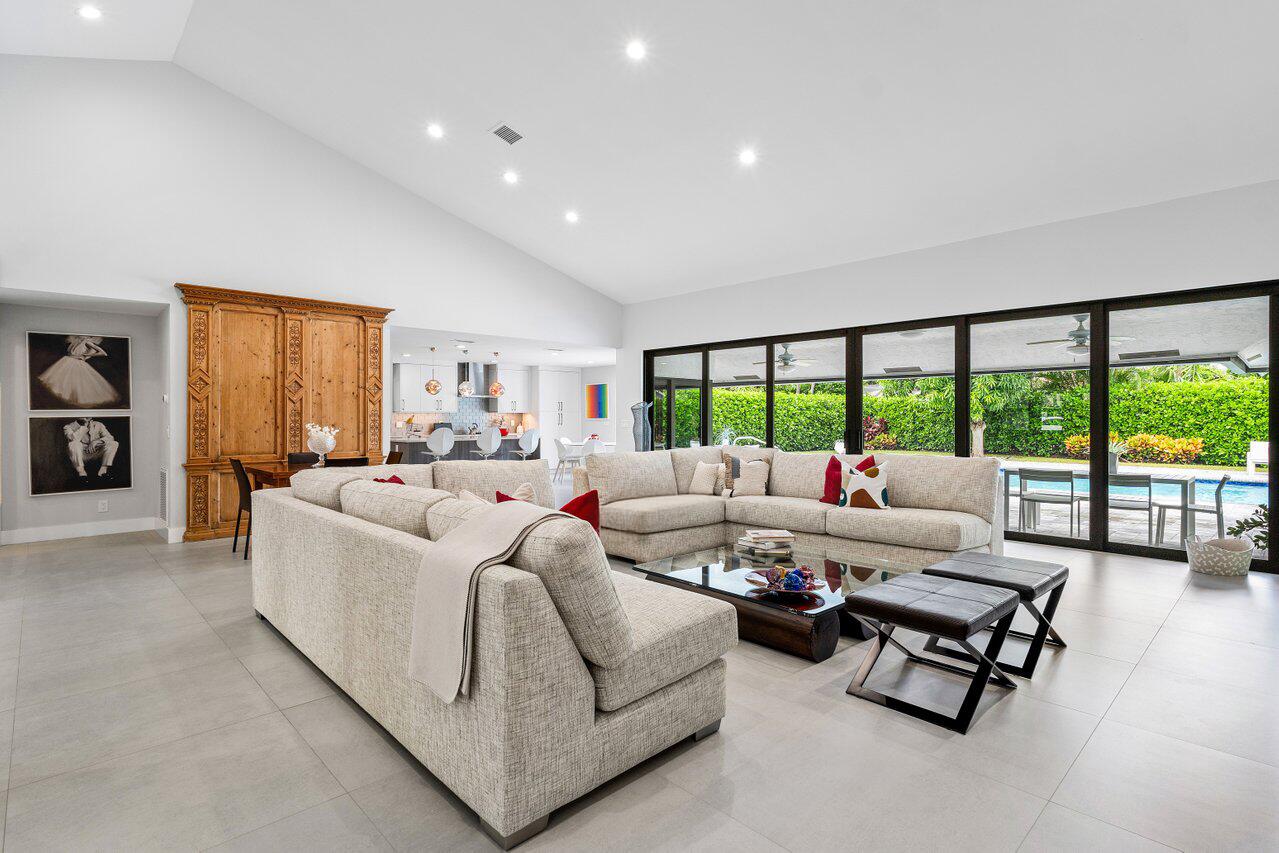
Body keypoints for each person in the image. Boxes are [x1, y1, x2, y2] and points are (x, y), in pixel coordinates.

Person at [38, 335, 119, 408]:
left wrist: (86, 355)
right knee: (65, 382)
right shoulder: (75, 341)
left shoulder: (87, 342)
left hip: (76, 362)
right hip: (67, 361)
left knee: (78, 384)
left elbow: (103, 353)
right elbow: (71, 351)